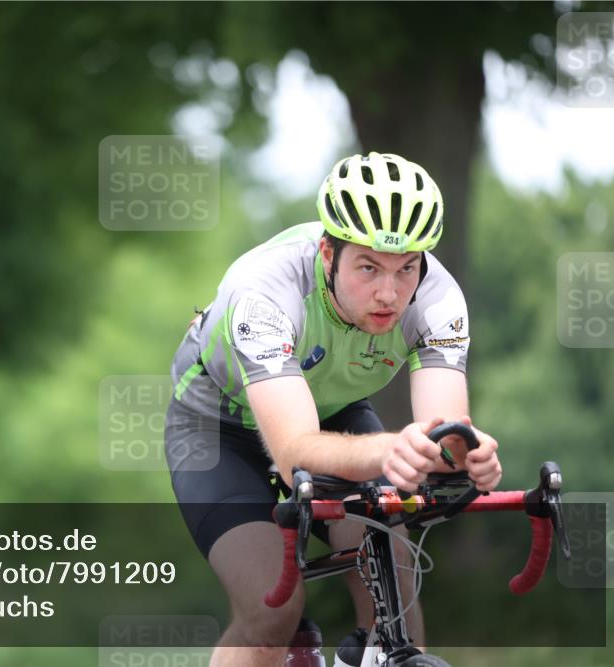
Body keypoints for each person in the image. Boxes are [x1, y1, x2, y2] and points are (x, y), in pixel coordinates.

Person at [164, 152, 503, 667]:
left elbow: (444, 434)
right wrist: (394, 448)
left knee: (395, 591)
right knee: (271, 609)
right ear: (328, 253)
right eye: (368, 267)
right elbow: (295, 452)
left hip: (333, 413)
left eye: (406, 268)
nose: (389, 293)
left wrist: (465, 453)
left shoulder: (438, 300)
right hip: (218, 424)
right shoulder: (264, 292)